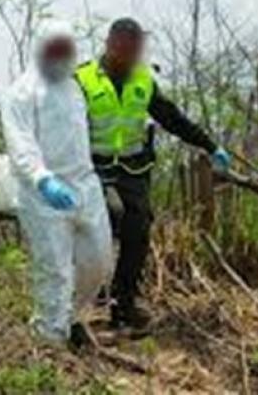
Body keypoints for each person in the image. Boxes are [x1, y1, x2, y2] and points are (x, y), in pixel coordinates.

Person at [75, 18, 231, 330]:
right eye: (123, 51)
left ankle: (124, 304)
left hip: (133, 167)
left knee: (139, 228)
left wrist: (211, 146)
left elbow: (172, 117)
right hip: (91, 167)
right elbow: (61, 126)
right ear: (109, 45)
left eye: (134, 52)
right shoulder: (81, 79)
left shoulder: (143, 80)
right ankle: (79, 305)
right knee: (102, 224)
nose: (129, 58)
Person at [1, 20, 113, 349]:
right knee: (54, 268)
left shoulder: (74, 88)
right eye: (55, 47)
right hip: (43, 193)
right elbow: (20, 144)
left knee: (98, 260)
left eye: (66, 47)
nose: (61, 53)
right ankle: (49, 340)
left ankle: (72, 317)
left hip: (85, 186)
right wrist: (42, 178)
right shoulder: (21, 92)